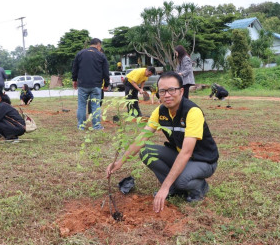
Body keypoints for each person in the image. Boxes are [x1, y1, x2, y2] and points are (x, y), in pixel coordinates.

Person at [107, 71, 219, 213]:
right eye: (162, 91)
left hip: (203, 159)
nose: (167, 95)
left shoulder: (192, 111)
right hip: (181, 154)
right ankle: (173, 189)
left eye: (172, 90)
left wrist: (164, 186)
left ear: (181, 91)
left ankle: (200, 187)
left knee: (181, 181)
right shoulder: (160, 111)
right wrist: (120, 162)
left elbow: (187, 152)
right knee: (146, 151)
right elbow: (142, 138)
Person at [72, 38, 110, 130]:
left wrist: (74, 80)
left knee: (81, 105)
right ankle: (96, 126)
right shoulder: (101, 55)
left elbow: (74, 68)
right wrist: (106, 84)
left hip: (82, 84)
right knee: (95, 106)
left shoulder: (80, 53)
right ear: (98, 45)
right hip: (96, 85)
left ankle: (81, 126)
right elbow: (106, 71)